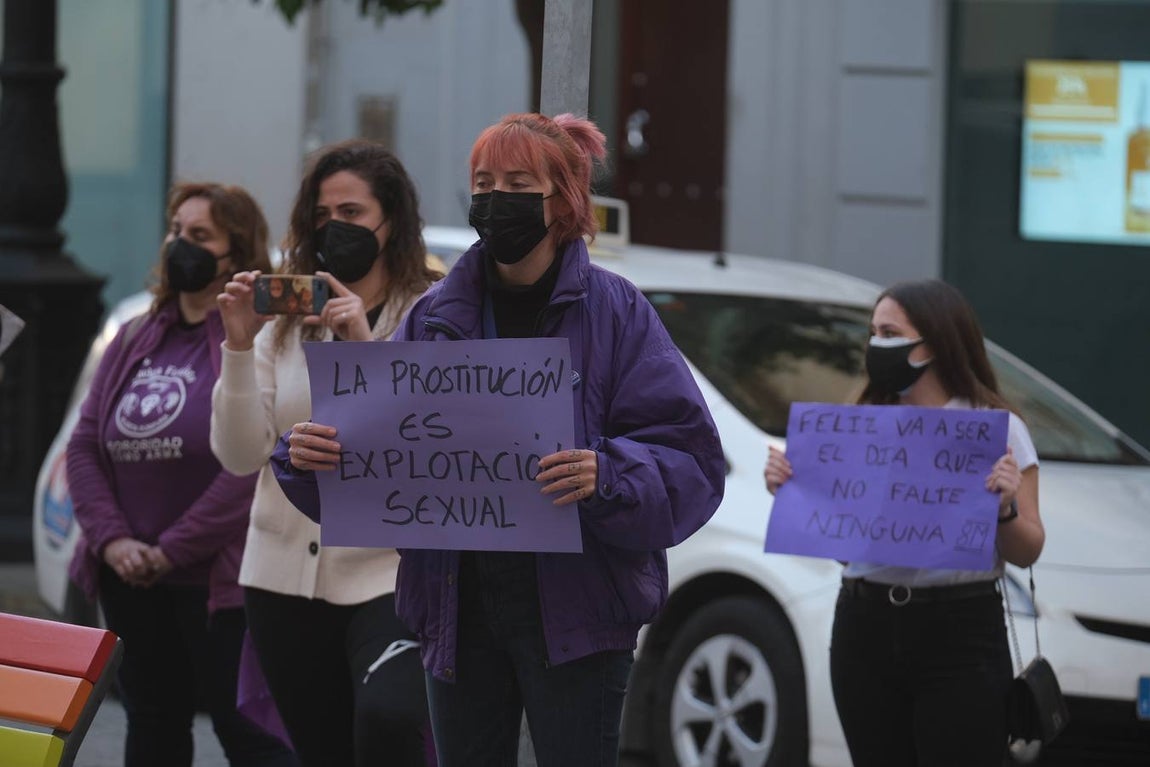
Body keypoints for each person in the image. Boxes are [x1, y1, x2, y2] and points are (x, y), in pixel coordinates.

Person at [273, 112, 727, 766]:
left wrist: (607, 473)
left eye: (516, 182)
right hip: (457, 610)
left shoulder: (619, 312)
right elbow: (375, 445)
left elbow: (692, 461)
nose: (493, 198)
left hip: (578, 613)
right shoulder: (434, 316)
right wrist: (309, 458)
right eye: (482, 182)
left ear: (563, 200)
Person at [210, 140, 441, 767]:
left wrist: (362, 349)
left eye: (352, 213)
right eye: (321, 216)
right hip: (281, 579)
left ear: (391, 220)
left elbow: (424, 440)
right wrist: (236, 347)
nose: (334, 228)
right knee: (322, 752)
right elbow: (239, 454)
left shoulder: (429, 311)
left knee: (389, 725)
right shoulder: (288, 316)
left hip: (389, 575)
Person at [764, 279, 1044, 767]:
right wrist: (799, 493)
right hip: (865, 625)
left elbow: (1027, 550)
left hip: (961, 631)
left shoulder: (995, 428)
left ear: (932, 343)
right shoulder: (862, 424)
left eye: (889, 332)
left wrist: (1004, 506)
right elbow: (852, 549)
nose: (876, 344)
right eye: (873, 332)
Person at [67, 182, 298, 767]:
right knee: (151, 722)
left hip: (217, 584)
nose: (180, 245)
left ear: (236, 253)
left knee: (244, 730)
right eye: (176, 231)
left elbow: (249, 465)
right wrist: (114, 540)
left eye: (199, 236)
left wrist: (171, 550)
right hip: (131, 578)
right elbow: (86, 445)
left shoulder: (256, 340)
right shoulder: (136, 334)